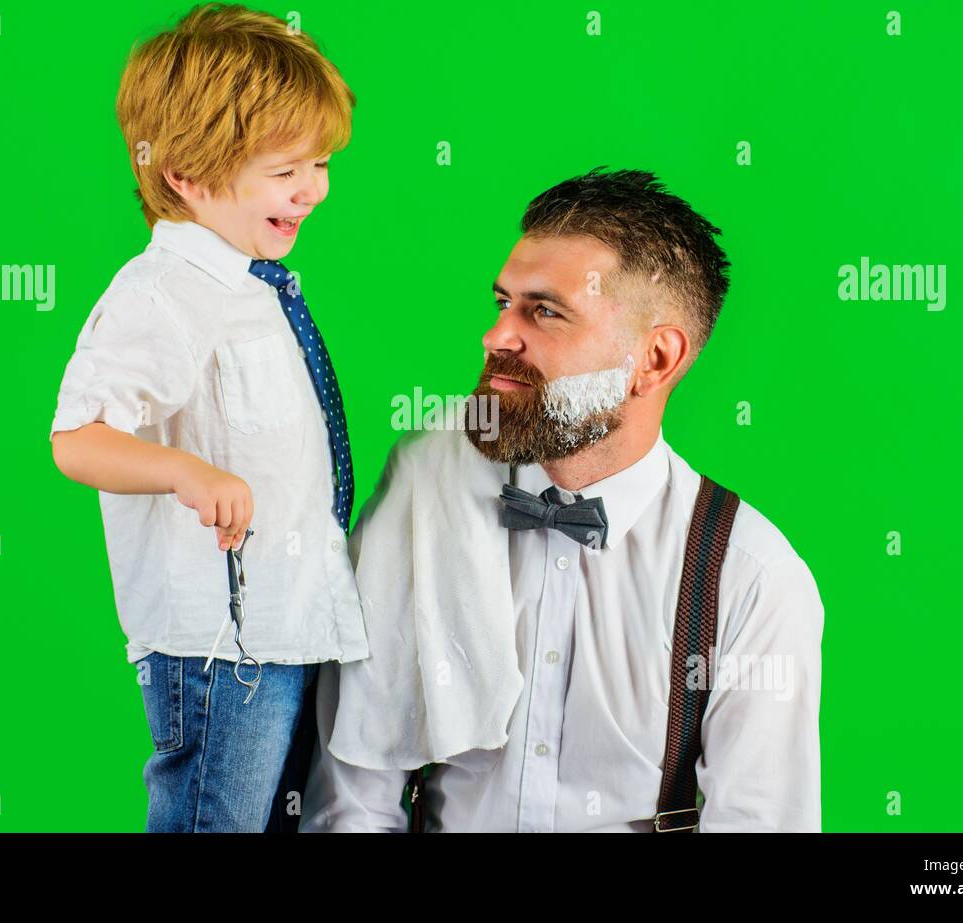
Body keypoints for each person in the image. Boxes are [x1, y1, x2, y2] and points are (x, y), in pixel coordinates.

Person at [301, 168, 826, 832]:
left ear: (655, 359)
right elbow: (351, 798)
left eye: (544, 311)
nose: (498, 336)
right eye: (503, 302)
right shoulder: (426, 486)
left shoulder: (751, 579)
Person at [48, 3, 367, 832]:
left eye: (322, 163)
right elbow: (77, 437)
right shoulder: (163, 294)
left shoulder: (250, 286)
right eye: (286, 169)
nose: (314, 189)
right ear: (186, 171)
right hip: (221, 650)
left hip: (285, 627)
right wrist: (185, 471)